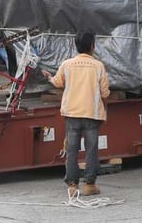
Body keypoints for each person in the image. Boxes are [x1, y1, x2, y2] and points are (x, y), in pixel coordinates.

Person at [43, 31, 111, 199]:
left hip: (72, 113)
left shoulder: (67, 64)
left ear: (76, 46)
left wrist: (49, 77)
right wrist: (105, 110)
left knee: (72, 150)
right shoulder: (98, 66)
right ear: (92, 46)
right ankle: (90, 184)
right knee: (91, 150)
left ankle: (72, 185)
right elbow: (105, 93)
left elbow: (58, 83)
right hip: (92, 114)